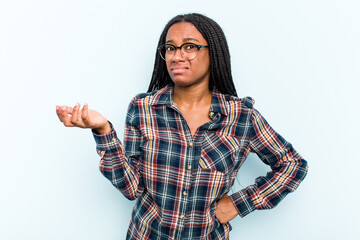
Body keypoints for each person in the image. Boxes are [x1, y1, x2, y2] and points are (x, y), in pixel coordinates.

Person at [56, 13, 308, 240]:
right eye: (170, 48)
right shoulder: (143, 108)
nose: (177, 56)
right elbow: (132, 188)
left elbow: (293, 164)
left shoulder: (241, 116)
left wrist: (238, 203)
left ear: (214, 52)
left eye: (190, 47)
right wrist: (102, 131)